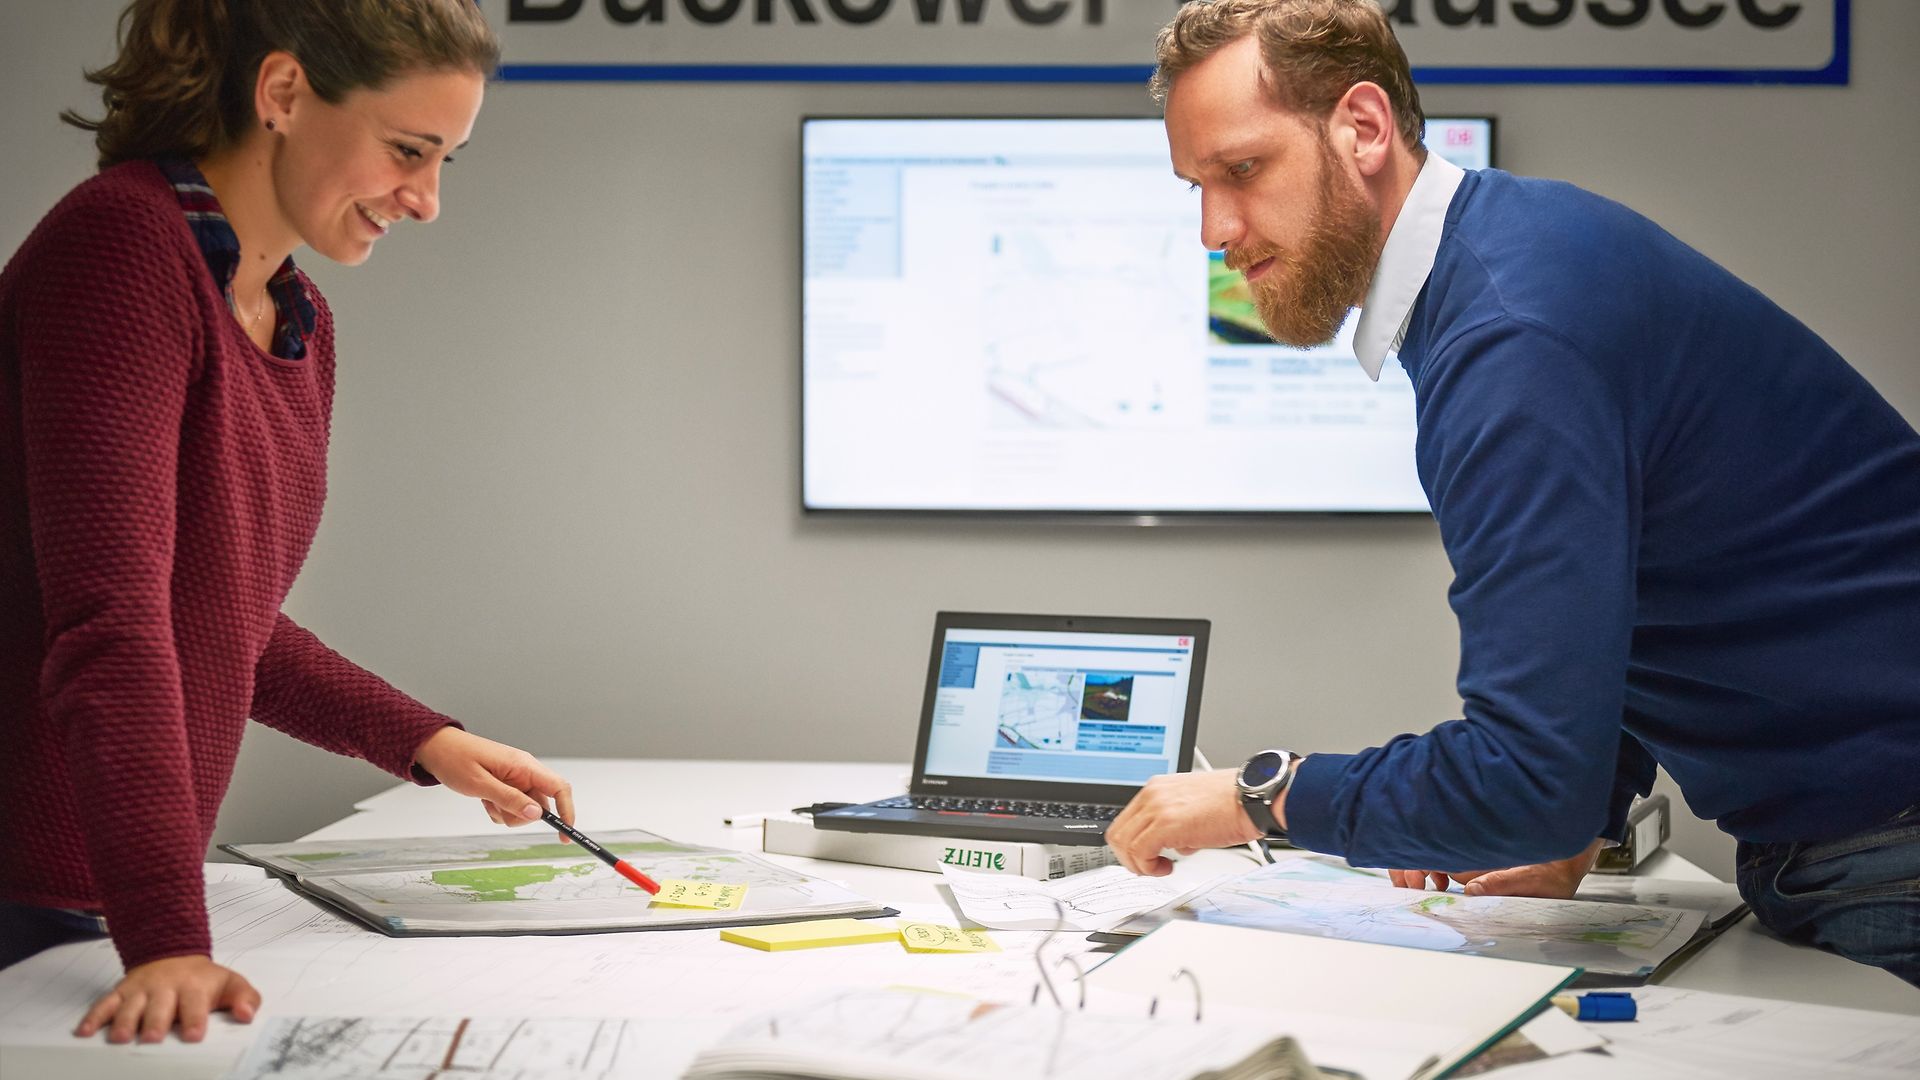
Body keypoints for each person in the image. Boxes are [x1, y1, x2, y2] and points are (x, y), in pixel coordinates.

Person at [1104, 0, 1920, 986]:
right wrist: (1589, 805)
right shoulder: (1512, 255)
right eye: (1197, 186)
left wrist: (1260, 794)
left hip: (1891, 846)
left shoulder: (1514, 338)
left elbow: (1526, 776)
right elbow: (1656, 582)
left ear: (1361, 128)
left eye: (1242, 170)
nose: (1212, 230)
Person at [0, 0, 582, 1042]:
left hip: (91, 896)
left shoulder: (296, 316)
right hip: (29, 888)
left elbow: (213, 612)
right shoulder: (124, 250)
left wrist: (428, 741)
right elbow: (113, 621)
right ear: (281, 94)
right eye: (409, 150)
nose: (428, 199)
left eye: (446, 160)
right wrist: (171, 938)